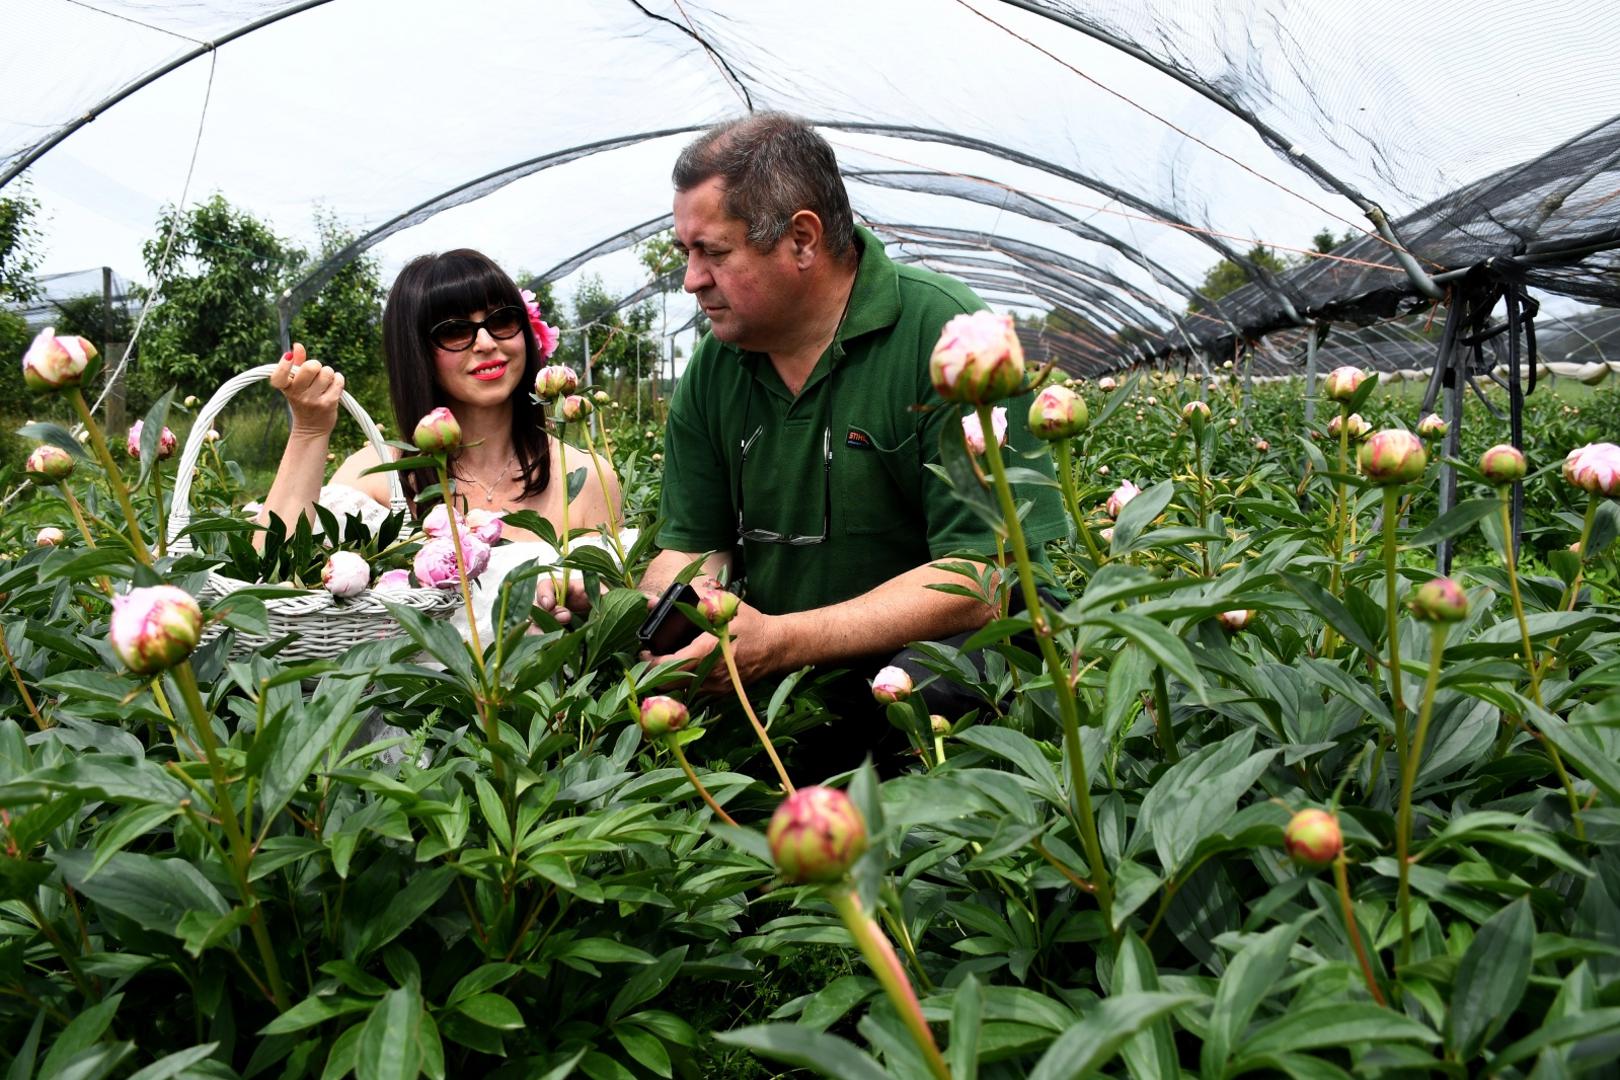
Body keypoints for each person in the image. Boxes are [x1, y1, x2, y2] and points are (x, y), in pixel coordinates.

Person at [633, 113, 1067, 775]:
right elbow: (693, 547)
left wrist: (781, 641)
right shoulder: (717, 367)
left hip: (932, 672)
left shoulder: (948, 342)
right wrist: (669, 628)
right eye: (686, 253)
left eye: (713, 253)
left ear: (801, 239)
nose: (691, 279)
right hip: (794, 678)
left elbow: (981, 576)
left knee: (927, 683)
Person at [259, 248, 621, 627]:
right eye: (454, 330)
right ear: (415, 351)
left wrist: (593, 603)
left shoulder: (585, 476)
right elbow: (270, 576)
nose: (485, 342)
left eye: (501, 320)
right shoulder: (381, 475)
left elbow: (614, 634)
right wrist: (310, 430)